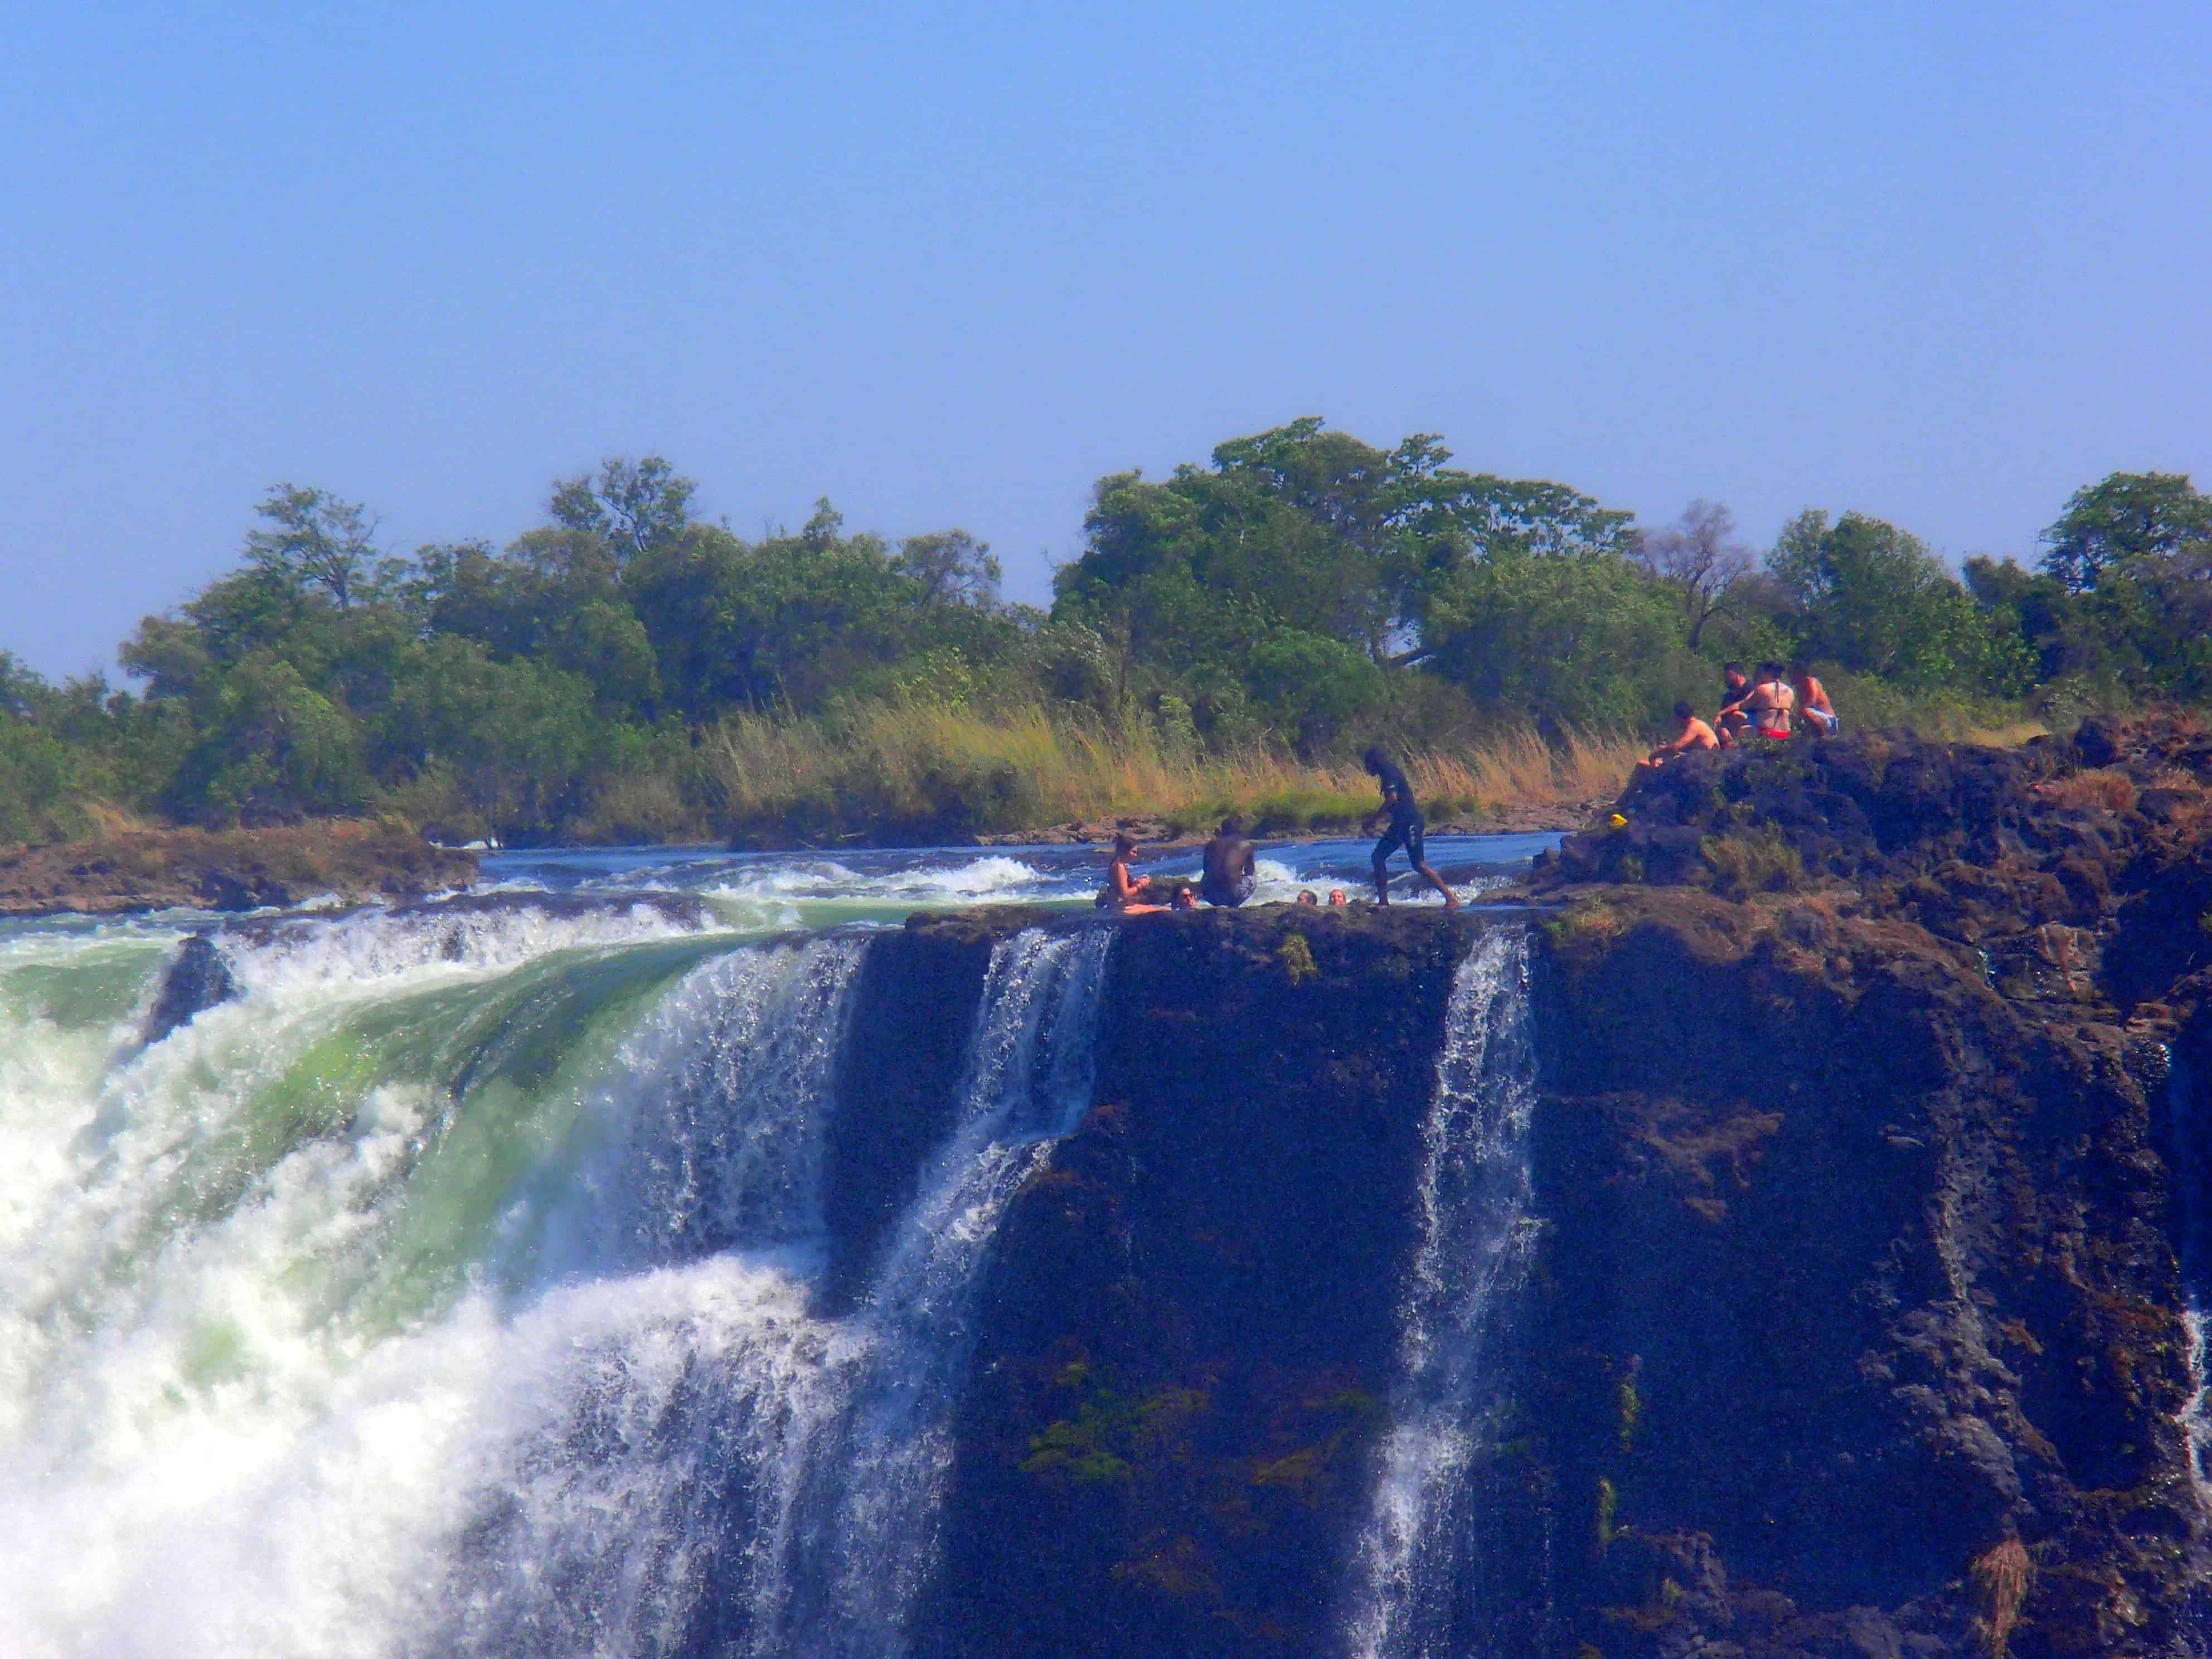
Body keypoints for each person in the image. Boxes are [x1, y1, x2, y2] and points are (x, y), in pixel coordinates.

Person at [1360, 746, 1460, 911]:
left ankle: (1451, 898)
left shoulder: (1389, 773)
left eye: (1367, 764)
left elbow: (1392, 799)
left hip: (1411, 823)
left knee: (1419, 865)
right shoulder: (1386, 773)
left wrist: (1373, 820)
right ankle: (1383, 901)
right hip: (1399, 825)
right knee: (1378, 857)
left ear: (1374, 762)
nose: (1366, 768)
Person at [1096, 832, 1166, 913]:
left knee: (1160, 908)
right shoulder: (1120, 867)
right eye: (1134, 852)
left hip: (1116, 906)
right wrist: (1140, 885)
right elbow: (1125, 894)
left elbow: (1119, 887)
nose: (1136, 855)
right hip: (1122, 908)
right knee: (1165, 910)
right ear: (1125, 851)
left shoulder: (1115, 864)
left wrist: (1136, 882)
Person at [1638, 701, 1719, 771]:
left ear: (1679, 717)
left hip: (1705, 766)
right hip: (1702, 764)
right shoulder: (1697, 726)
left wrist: (1654, 755)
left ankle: (1633, 789)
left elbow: (1675, 747)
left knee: (1641, 765)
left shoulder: (1695, 726)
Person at [1199, 816, 1258, 907]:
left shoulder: (1211, 845)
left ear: (1222, 830)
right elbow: (1250, 871)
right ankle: (1234, 907)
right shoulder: (1246, 845)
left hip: (1211, 895)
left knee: (1206, 877)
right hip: (1233, 896)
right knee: (1253, 877)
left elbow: (1206, 869)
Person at [1744, 660, 1794, 739]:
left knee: (1743, 730)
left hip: (1768, 734)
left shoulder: (1763, 689)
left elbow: (1744, 705)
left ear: (1766, 673)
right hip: (1786, 734)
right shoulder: (1790, 691)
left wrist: (1757, 686)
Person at [1791, 661, 1839, 735]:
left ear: (1800, 673)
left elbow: (1812, 701)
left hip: (1829, 721)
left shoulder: (1811, 682)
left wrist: (1798, 713)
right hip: (1814, 718)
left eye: (1793, 673)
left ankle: (1821, 737)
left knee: (1806, 712)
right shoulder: (1799, 687)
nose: (1791, 676)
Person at [1715, 661, 1754, 745]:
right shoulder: (1728, 696)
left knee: (1737, 714)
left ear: (1740, 675)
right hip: (1733, 731)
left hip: (1752, 723)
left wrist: (1720, 714)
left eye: (1729, 675)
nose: (1727, 679)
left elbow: (1743, 704)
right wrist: (1723, 728)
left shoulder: (1751, 688)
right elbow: (1723, 719)